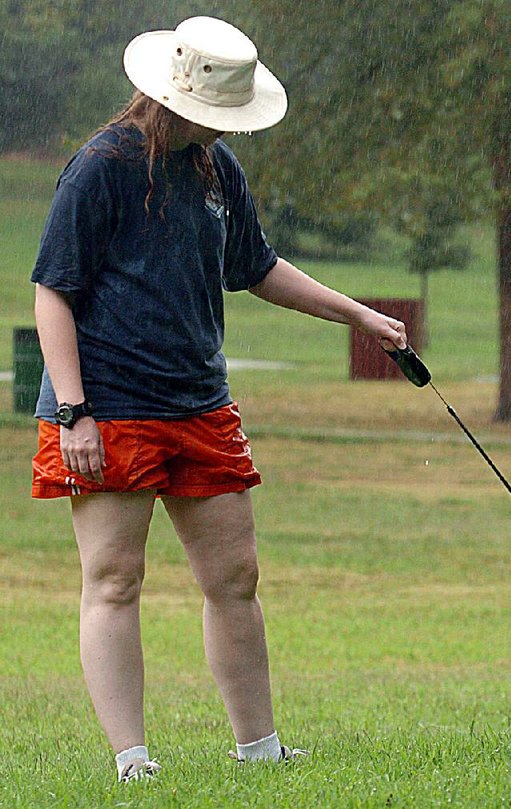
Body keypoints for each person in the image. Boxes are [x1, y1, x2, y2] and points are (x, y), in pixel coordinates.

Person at [30, 16, 407, 783]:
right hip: (107, 407)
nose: (224, 129)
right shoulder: (102, 165)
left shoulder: (213, 167)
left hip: (200, 403)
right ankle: (133, 761)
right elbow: (52, 291)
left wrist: (358, 314)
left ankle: (259, 750)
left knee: (234, 578)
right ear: (177, 98)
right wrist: (73, 410)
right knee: (114, 578)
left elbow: (256, 266)